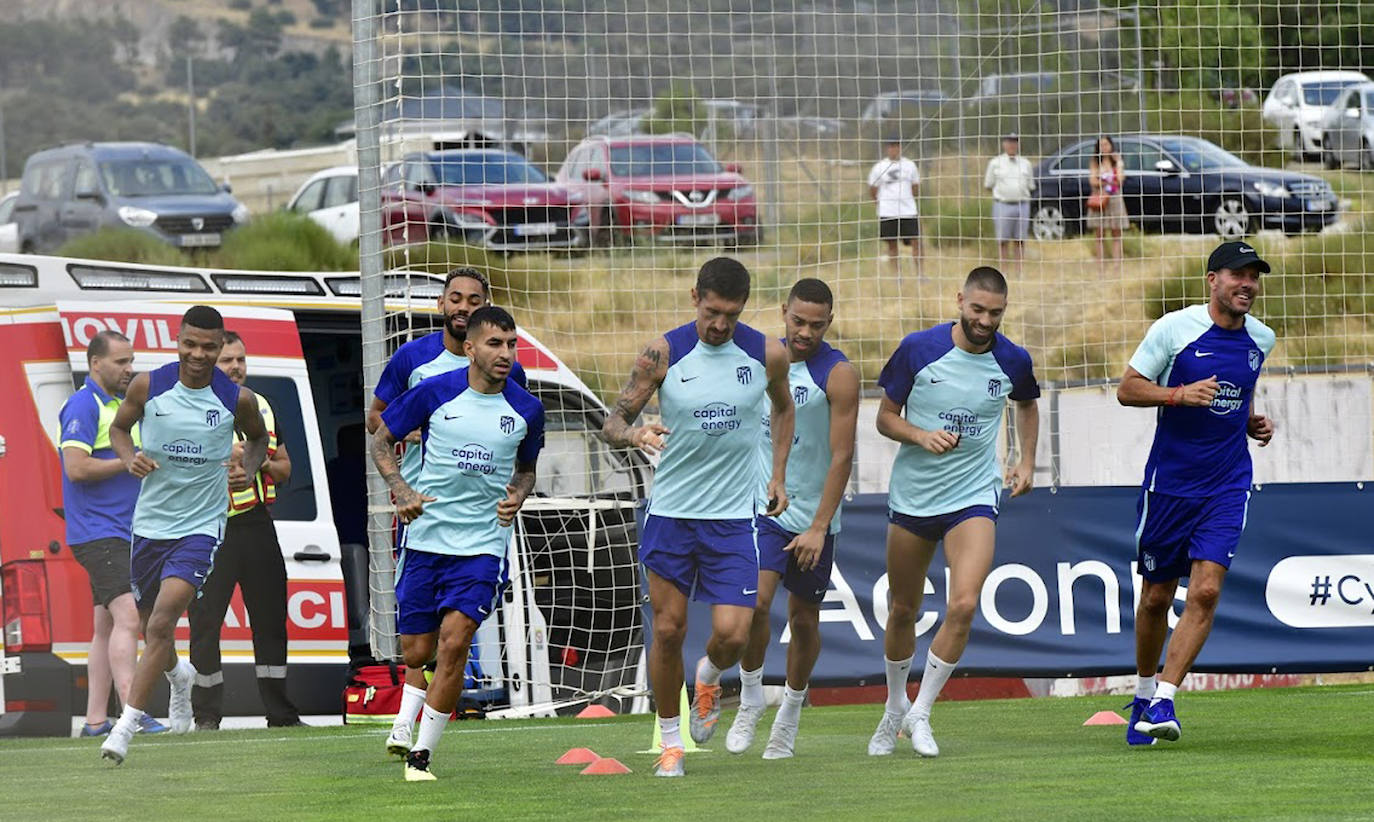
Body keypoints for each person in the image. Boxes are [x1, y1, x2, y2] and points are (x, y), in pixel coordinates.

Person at [602, 256, 795, 778]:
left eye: (730, 315)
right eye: (712, 311)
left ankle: (709, 675)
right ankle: (671, 742)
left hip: (734, 518)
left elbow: (783, 408)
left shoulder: (766, 353)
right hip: (672, 515)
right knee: (667, 631)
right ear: (695, 298)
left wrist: (777, 474)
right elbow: (613, 420)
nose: (719, 324)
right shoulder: (662, 354)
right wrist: (635, 433)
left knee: (736, 632)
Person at [869, 266, 1040, 758]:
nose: (985, 321)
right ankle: (893, 708)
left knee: (964, 604)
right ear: (959, 299)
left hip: (973, 496)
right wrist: (921, 435)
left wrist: (1025, 460)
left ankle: (921, 713)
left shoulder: (1012, 360)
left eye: (996, 313)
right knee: (903, 609)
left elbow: (1027, 404)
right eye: (978, 310)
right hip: (914, 497)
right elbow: (884, 418)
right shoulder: (918, 350)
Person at [370, 306, 544, 781]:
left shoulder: (527, 408)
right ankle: (406, 718)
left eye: (511, 345)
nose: (505, 353)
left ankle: (420, 756)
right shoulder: (433, 393)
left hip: (484, 545)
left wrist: (518, 495)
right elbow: (381, 441)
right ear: (470, 348)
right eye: (495, 344)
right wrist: (403, 491)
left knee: (455, 643)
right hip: (426, 539)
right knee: (416, 651)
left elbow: (526, 470)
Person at [1118, 241, 1276, 746]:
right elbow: (1127, 388)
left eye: (1254, 276)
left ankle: (1165, 698)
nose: (1247, 284)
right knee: (1156, 598)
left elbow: (1241, 389)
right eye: (1237, 275)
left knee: (1206, 591)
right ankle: (1143, 691)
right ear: (1213, 280)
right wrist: (1177, 394)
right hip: (1170, 485)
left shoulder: (1261, 339)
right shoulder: (1173, 329)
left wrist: (1250, 420)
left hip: (1228, 483)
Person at [100, 305, 270, 765]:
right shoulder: (146, 386)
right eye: (190, 344)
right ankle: (179, 677)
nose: (199, 355)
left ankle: (124, 727)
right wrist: (130, 455)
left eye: (209, 347)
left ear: (220, 348)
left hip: (201, 526)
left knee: (158, 623)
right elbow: (119, 429)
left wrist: (247, 471)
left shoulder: (237, 399)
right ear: (178, 340)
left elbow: (258, 442)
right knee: (154, 625)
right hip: (149, 525)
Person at [724, 278, 858, 760]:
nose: (805, 332)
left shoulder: (838, 374)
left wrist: (819, 527)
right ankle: (751, 695)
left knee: (804, 620)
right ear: (784, 312)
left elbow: (842, 456)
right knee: (756, 605)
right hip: (763, 508)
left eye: (816, 325)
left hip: (814, 517)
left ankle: (792, 712)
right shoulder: (760, 358)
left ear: (830, 322)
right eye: (797, 321)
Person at [188, 330, 303, 730]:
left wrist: (257, 459)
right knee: (204, 623)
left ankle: (281, 715)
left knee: (271, 619)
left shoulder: (263, 407)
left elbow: (286, 468)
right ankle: (205, 717)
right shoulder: (190, 406)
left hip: (255, 523)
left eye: (240, 360)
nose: (235, 367)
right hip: (207, 526)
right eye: (226, 361)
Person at [58, 331, 169, 737]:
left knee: (104, 627)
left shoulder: (121, 407)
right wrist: (128, 462)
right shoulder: (83, 404)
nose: (129, 369)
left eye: (131, 361)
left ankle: (93, 721)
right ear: (95, 364)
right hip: (100, 532)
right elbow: (76, 468)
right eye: (120, 362)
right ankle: (132, 715)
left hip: (124, 531)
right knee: (128, 617)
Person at [867, 136, 922, 276]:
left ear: (900, 147)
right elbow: (873, 189)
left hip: (908, 210)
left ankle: (920, 273)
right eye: (891, 146)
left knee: (916, 242)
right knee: (892, 244)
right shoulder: (879, 167)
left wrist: (907, 199)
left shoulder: (910, 165)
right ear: (887, 148)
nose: (894, 149)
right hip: (887, 211)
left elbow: (915, 187)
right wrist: (881, 204)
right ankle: (896, 275)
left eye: (896, 146)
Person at [983, 133, 1036, 274]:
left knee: (1020, 240)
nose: (1012, 145)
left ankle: (1019, 271)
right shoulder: (995, 163)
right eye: (1009, 142)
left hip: (1022, 205)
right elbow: (988, 185)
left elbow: (1031, 185)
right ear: (1003, 144)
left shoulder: (1026, 163)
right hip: (1002, 205)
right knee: (1003, 240)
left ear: (1018, 145)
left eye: (1015, 142)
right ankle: (1004, 271)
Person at [1087, 135, 1128, 263]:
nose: (1104, 147)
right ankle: (1100, 264)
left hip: (1114, 199)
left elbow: (1120, 179)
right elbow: (1093, 181)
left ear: (1111, 145)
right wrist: (1107, 183)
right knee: (1099, 234)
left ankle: (1117, 265)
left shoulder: (1116, 161)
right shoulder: (1095, 162)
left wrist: (1118, 165)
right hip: (1100, 200)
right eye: (1101, 145)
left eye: (1106, 144)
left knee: (1116, 233)